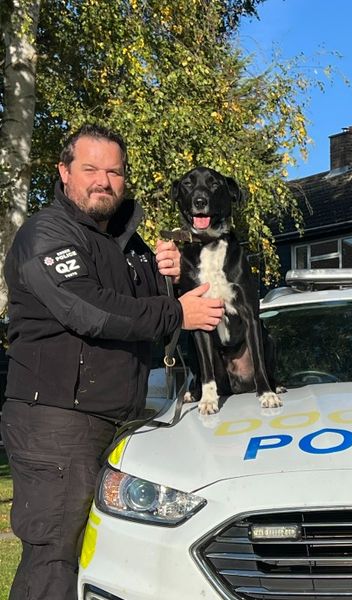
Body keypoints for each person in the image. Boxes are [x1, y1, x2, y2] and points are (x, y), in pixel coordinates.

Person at [0, 124, 225, 600]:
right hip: (57, 421)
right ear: (64, 173)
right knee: (55, 553)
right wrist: (176, 310)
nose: (103, 180)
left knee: (117, 550)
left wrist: (168, 276)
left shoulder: (130, 245)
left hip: (122, 420)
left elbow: (153, 323)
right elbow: (90, 310)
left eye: (113, 171)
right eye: (90, 169)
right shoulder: (46, 233)